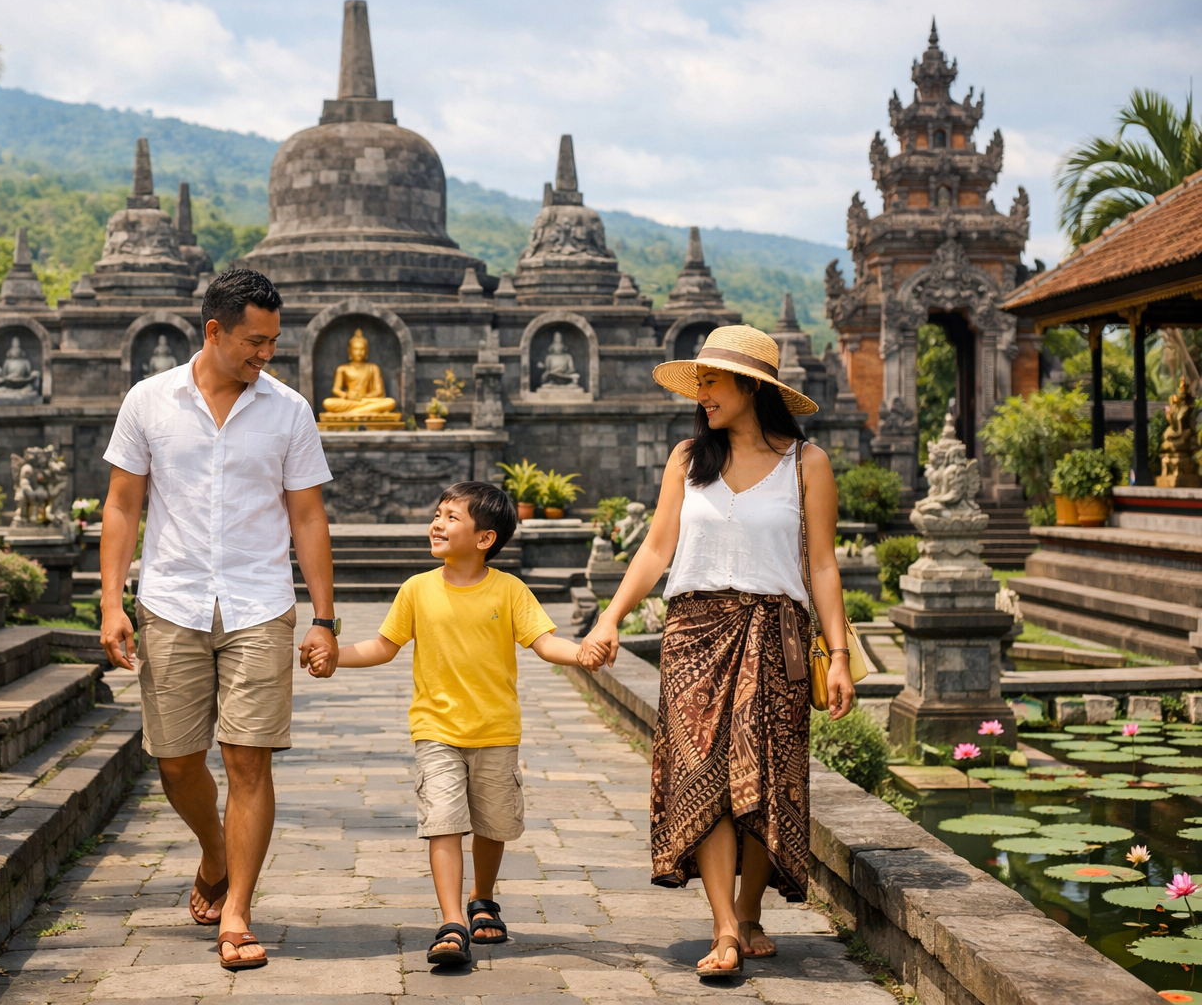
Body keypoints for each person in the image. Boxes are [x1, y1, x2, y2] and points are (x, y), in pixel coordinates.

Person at [579, 325, 853, 979]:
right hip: (693, 632)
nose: (701, 394)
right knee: (703, 775)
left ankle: (751, 906)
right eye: (698, 381)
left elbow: (821, 565)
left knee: (762, 780)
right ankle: (725, 927)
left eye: (712, 380)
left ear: (752, 386)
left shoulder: (806, 463)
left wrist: (838, 653)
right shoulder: (686, 459)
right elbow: (654, 548)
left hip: (775, 631)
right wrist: (610, 618)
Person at [99, 267, 340, 972]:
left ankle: (237, 909)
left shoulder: (289, 410)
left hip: (260, 602)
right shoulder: (150, 402)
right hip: (170, 600)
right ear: (214, 330)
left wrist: (323, 616)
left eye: (273, 342)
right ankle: (213, 850)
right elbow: (122, 505)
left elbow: (307, 516)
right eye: (254, 342)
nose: (266, 354)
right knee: (175, 761)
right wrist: (112, 603)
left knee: (248, 758)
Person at [312, 482, 601, 968]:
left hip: (496, 731)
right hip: (436, 730)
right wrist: (337, 656)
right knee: (443, 823)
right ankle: (452, 922)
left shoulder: (510, 590)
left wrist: (583, 653)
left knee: (493, 825)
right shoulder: (417, 589)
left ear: (484, 538)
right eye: (437, 513)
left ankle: (481, 899)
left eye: (451, 517)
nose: (437, 523)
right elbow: (385, 646)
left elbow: (545, 643)